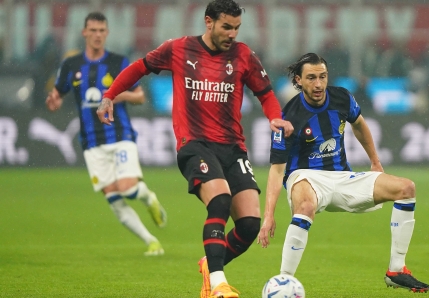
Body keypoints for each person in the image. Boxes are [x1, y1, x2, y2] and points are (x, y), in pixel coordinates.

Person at [95, 1, 293, 297]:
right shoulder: (178, 49)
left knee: (250, 224)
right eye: (227, 26)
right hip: (194, 144)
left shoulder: (243, 55)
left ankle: (210, 264)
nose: (232, 34)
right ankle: (218, 284)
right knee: (220, 199)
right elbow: (139, 67)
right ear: (208, 22)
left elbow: (265, 93)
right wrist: (110, 95)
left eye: (237, 28)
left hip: (233, 148)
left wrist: (274, 116)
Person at [257, 53, 429, 293]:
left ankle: (396, 270)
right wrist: (269, 215)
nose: (318, 84)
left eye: (322, 77)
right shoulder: (289, 116)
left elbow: (359, 124)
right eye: (311, 78)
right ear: (299, 80)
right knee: (305, 207)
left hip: (342, 178)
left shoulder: (342, 98)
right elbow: (277, 171)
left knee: (406, 188)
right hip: (305, 177)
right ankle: (284, 282)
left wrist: (375, 162)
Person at [46, 12, 167, 256]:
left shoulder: (118, 62)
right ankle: (151, 241)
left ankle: (149, 198)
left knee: (128, 189)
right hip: (91, 142)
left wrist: (113, 95)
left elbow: (140, 96)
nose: (97, 35)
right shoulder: (71, 65)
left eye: (102, 30)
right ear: (84, 33)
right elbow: (58, 93)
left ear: (107, 33)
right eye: (93, 30)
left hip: (119, 135)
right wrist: (55, 100)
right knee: (113, 197)